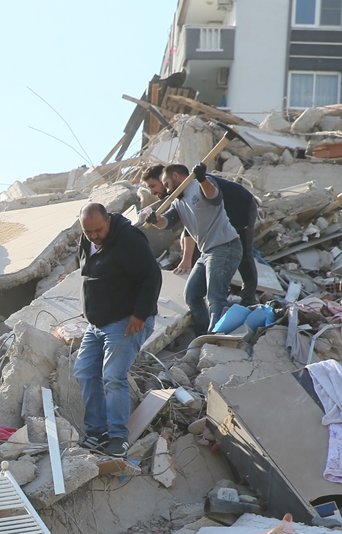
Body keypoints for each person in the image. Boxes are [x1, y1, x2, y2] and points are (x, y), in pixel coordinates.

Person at [73, 203, 163, 458]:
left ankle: (118, 437)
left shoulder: (128, 240)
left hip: (125, 320)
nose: (93, 236)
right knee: (84, 372)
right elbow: (91, 275)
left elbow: (151, 276)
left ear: (109, 221)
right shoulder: (88, 236)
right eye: (88, 231)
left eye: (97, 230)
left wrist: (140, 314)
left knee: (113, 376)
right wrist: (90, 306)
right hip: (97, 323)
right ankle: (97, 431)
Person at [145, 163, 242, 335]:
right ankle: (203, 334)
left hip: (224, 246)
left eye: (166, 184)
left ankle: (215, 337)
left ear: (176, 176)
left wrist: (202, 178)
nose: (166, 190)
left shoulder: (200, 185)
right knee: (192, 295)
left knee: (215, 297)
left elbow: (215, 197)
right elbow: (167, 222)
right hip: (207, 252)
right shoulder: (178, 201)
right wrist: (155, 220)